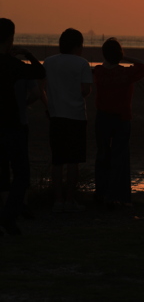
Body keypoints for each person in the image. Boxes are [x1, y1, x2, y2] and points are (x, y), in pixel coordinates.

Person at [0, 18, 46, 236]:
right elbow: (40, 73)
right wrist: (28, 55)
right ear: (11, 39)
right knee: (21, 174)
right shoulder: (13, 65)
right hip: (12, 124)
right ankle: (9, 216)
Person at [92, 38, 144, 208]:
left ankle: (101, 194)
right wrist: (125, 58)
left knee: (102, 156)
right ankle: (119, 196)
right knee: (120, 158)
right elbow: (143, 66)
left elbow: (102, 68)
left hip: (102, 118)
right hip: (122, 118)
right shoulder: (125, 73)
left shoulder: (100, 72)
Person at [43, 28, 93, 213]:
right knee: (73, 161)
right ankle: (70, 199)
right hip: (76, 116)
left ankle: (58, 200)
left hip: (56, 115)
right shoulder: (82, 63)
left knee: (57, 160)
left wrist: (48, 105)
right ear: (78, 46)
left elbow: (42, 87)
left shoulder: (49, 62)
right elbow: (85, 90)